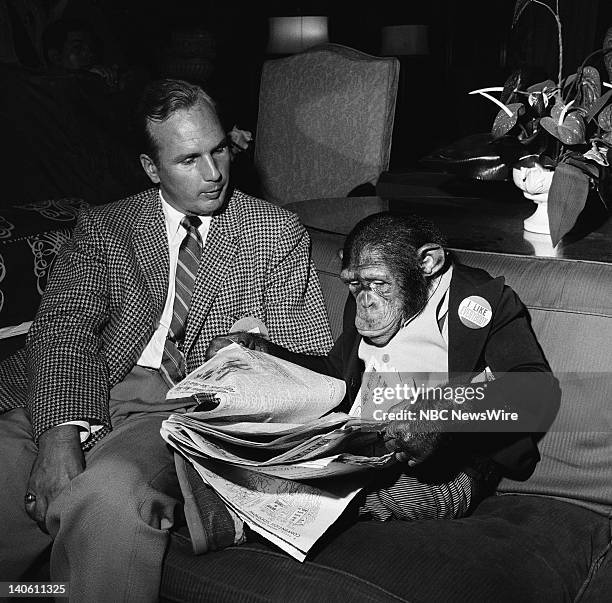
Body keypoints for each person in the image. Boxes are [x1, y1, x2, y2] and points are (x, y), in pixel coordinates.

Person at [0, 78, 333, 599]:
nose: (212, 174)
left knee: (110, 498)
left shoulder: (276, 231)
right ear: (152, 167)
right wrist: (59, 434)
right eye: (188, 159)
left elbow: (308, 352)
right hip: (89, 383)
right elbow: (64, 326)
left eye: (219, 149)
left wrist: (253, 354)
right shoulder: (108, 226)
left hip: (178, 409)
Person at [207, 212, 561, 521]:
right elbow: (336, 376)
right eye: (354, 284)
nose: (365, 301)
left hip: (445, 466)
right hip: (356, 447)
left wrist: (446, 412)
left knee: (340, 495)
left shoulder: (484, 301)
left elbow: (536, 390)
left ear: (428, 263)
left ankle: (249, 513)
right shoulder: (363, 294)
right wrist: (262, 353)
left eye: (379, 283)